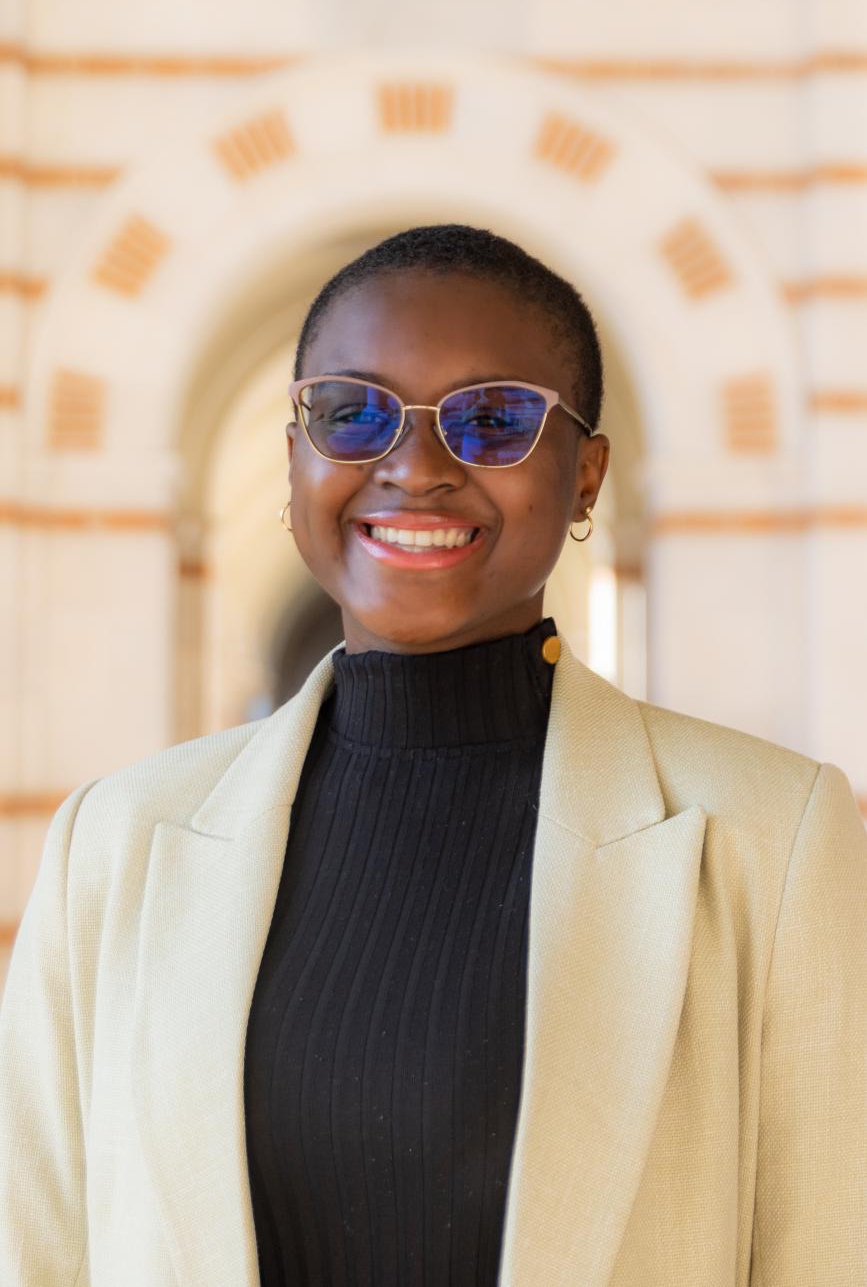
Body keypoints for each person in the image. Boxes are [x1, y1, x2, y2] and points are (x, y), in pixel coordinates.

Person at [1, 223, 865, 1287]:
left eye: (494, 421)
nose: (415, 468)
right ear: (295, 459)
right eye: (350, 413)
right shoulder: (115, 841)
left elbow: (830, 1257)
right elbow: (36, 1254)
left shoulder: (772, 837)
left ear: (585, 475)